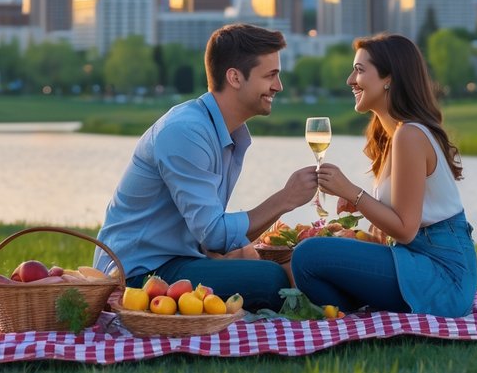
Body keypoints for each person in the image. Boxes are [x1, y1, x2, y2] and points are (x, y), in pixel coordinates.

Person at [93, 23, 318, 310]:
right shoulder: (185, 132)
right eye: (270, 75)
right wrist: (285, 199)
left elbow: (211, 238)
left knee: (280, 266)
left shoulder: (225, 132)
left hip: (177, 261)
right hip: (135, 275)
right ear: (235, 77)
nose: (278, 86)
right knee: (270, 280)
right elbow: (213, 233)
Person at [291, 33, 477, 317]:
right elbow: (402, 225)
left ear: (389, 78)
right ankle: (356, 302)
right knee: (308, 254)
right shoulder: (394, 137)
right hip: (416, 261)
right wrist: (362, 211)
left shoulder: (410, 136)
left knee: (308, 256)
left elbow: (405, 229)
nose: (350, 80)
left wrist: (351, 191)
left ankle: (350, 302)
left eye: (360, 70)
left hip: (443, 278)